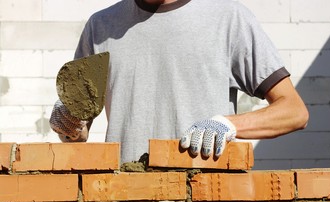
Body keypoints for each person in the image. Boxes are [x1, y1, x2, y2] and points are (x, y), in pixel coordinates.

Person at [50, 0, 309, 164]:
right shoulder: (101, 26)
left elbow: (294, 112)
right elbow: (77, 133)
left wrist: (228, 124)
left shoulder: (229, 19)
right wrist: (69, 125)